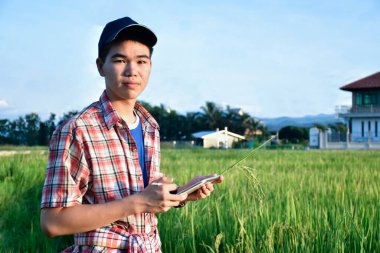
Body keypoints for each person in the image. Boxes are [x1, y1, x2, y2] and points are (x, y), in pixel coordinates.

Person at [40, 16, 224, 253]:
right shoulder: (77, 130)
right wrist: (138, 202)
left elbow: (144, 200)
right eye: (119, 60)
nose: (132, 71)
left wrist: (180, 195)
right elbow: (52, 222)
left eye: (141, 61)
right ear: (100, 66)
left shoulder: (150, 126)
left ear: (150, 66)